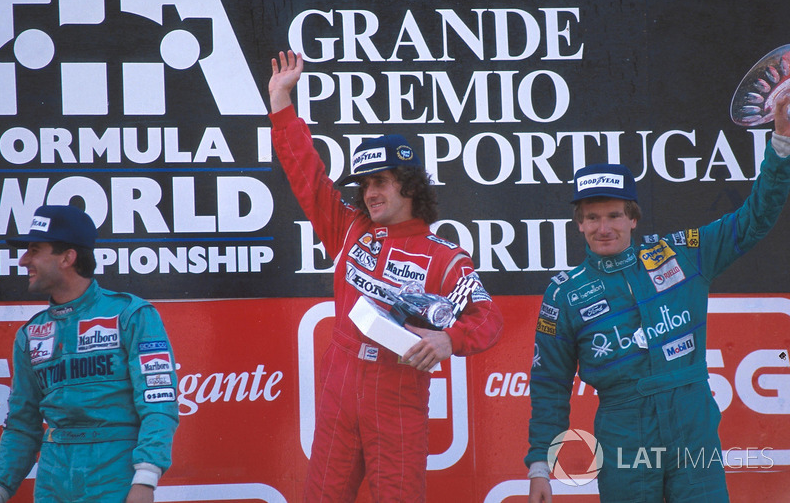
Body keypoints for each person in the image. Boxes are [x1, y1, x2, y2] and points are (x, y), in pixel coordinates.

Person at [525, 94, 790, 503]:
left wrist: (782, 145)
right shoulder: (564, 293)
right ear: (578, 224)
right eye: (592, 217)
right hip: (625, 432)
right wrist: (540, 465)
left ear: (633, 218)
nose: (604, 227)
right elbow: (549, 383)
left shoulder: (681, 254)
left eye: (614, 215)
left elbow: (754, 218)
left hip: (691, 425)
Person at [268, 50, 503, 502]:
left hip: (397, 398)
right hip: (340, 391)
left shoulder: (445, 257)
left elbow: (488, 318)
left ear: (410, 185)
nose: (370, 192)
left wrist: (447, 340)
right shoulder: (351, 228)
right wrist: (281, 103)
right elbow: (308, 176)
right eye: (365, 184)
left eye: (381, 181)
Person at [0, 205, 179, 503]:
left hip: (116, 474)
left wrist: (145, 478)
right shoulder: (30, 334)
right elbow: (22, 425)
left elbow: (159, 402)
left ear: (68, 257)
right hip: (53, 477)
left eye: (35, 250)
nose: (24, 259)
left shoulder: (131, 314)